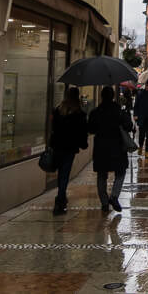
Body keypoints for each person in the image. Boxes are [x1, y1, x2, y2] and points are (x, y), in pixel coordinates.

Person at [87, 86, 134, 213]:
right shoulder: (119, 111)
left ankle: (104, 202)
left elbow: (90, 129)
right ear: (113, 96)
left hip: (101, 148)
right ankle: (114, 196)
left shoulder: (96, 112)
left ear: (101, 96)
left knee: (102, 175)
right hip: (117, 147)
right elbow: (129, 127)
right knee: (121, 172)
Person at [49, 87, 89, 215]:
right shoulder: (79, 113)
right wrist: (83, 144)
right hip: (69, 148)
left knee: (62, 173)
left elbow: (53, 129)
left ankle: (61, 198)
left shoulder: (58, 110)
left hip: (58, 146)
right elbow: (82, 132)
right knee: (64, 174)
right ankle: (60, 200)